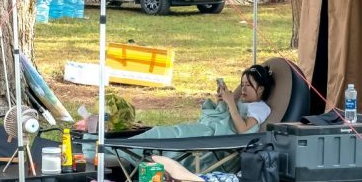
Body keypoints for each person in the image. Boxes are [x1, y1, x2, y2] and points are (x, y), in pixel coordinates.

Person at [77, 63, 275, 138]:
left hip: (214, 136)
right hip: (208, 128)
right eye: (242, 84)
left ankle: (119, 148)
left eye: (249, 85)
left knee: (168, 134)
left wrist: (231, 103)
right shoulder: (243, 103)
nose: (244, 89)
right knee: (168, 131)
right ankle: (120, 145)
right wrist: (223, 102)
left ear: (262, 89)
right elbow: (225, 117)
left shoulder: (260, 108)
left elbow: (243, 131)